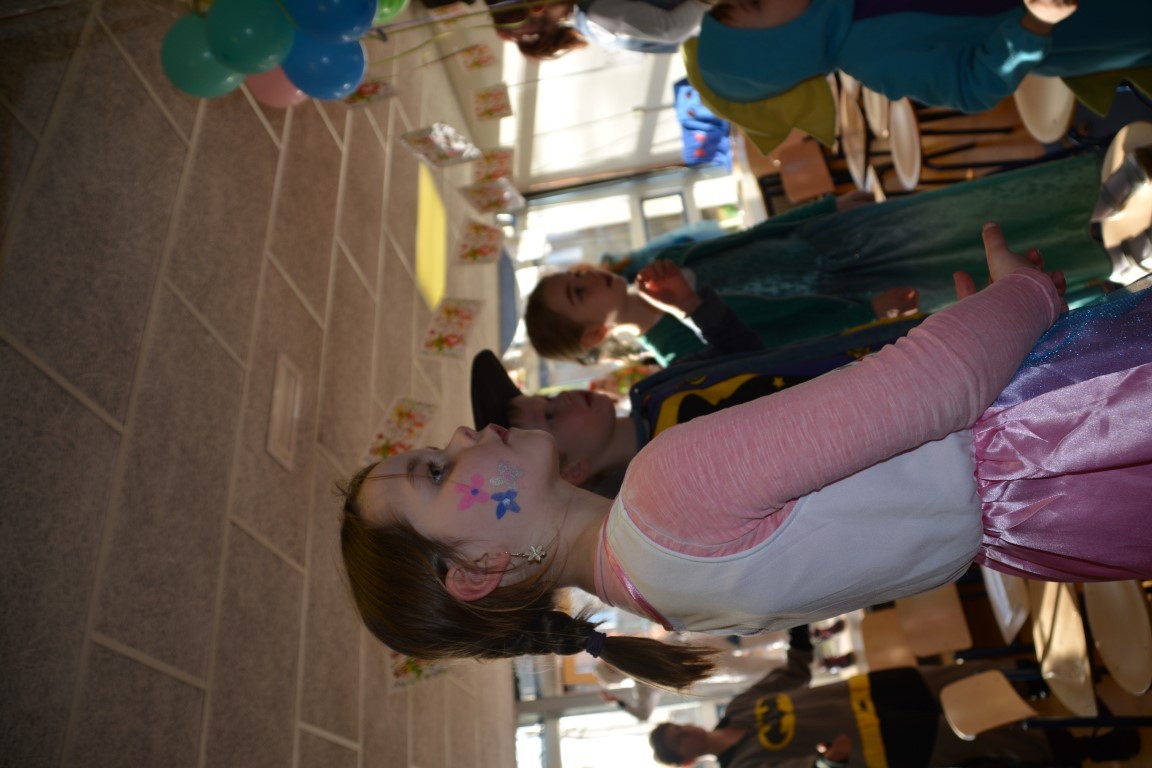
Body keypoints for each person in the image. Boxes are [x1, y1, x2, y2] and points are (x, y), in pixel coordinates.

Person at [340, 222, 1152, 690]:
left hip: (1046, 519)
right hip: (1067, 424)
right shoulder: (664, 493)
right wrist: (1024, 295)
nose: (460, 438)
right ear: (479, 570)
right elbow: (944, 382)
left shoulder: (655, 595)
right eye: (435, 472)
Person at [525, 155, 1116, 364]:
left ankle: (1113, 186)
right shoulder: (680, 350)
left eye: (576, 276)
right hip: (858, 290)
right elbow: (781, 346)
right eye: (579, 293)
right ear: (596, 332)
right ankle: (1114, 248)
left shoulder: (662, 264)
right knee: (990, 272)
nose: (588, 278)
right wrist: (868, 314)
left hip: (840, 239)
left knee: (975, 212)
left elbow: (753, 238)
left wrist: (824, 206)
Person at [470, 315, 922, 487]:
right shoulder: (672, 466)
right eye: (551, 415)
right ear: (574, 471)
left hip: (879, 347)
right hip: (898, 403)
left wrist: (695, 305)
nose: (563, 397)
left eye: (547, 396)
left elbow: (747, 354)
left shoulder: (651, 393)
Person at [649, 655, 1141, 768]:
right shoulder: (743, 765)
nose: (686, 733)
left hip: (876, 691)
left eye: (677, 728)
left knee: (974, 678)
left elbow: (793, 672)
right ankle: (1089, 747)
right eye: (678, 742)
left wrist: (792, 616)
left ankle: (1070, 671)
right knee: (987, 738)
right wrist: (828, 762)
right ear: (686, 759)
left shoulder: (739, 707)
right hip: (881, 746)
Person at [693, 0, 1152, 117]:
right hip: (1078, 21)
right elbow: (973, 86)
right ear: (776, 51)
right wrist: (1035, 23)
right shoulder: (872, 60)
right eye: (757, 4)